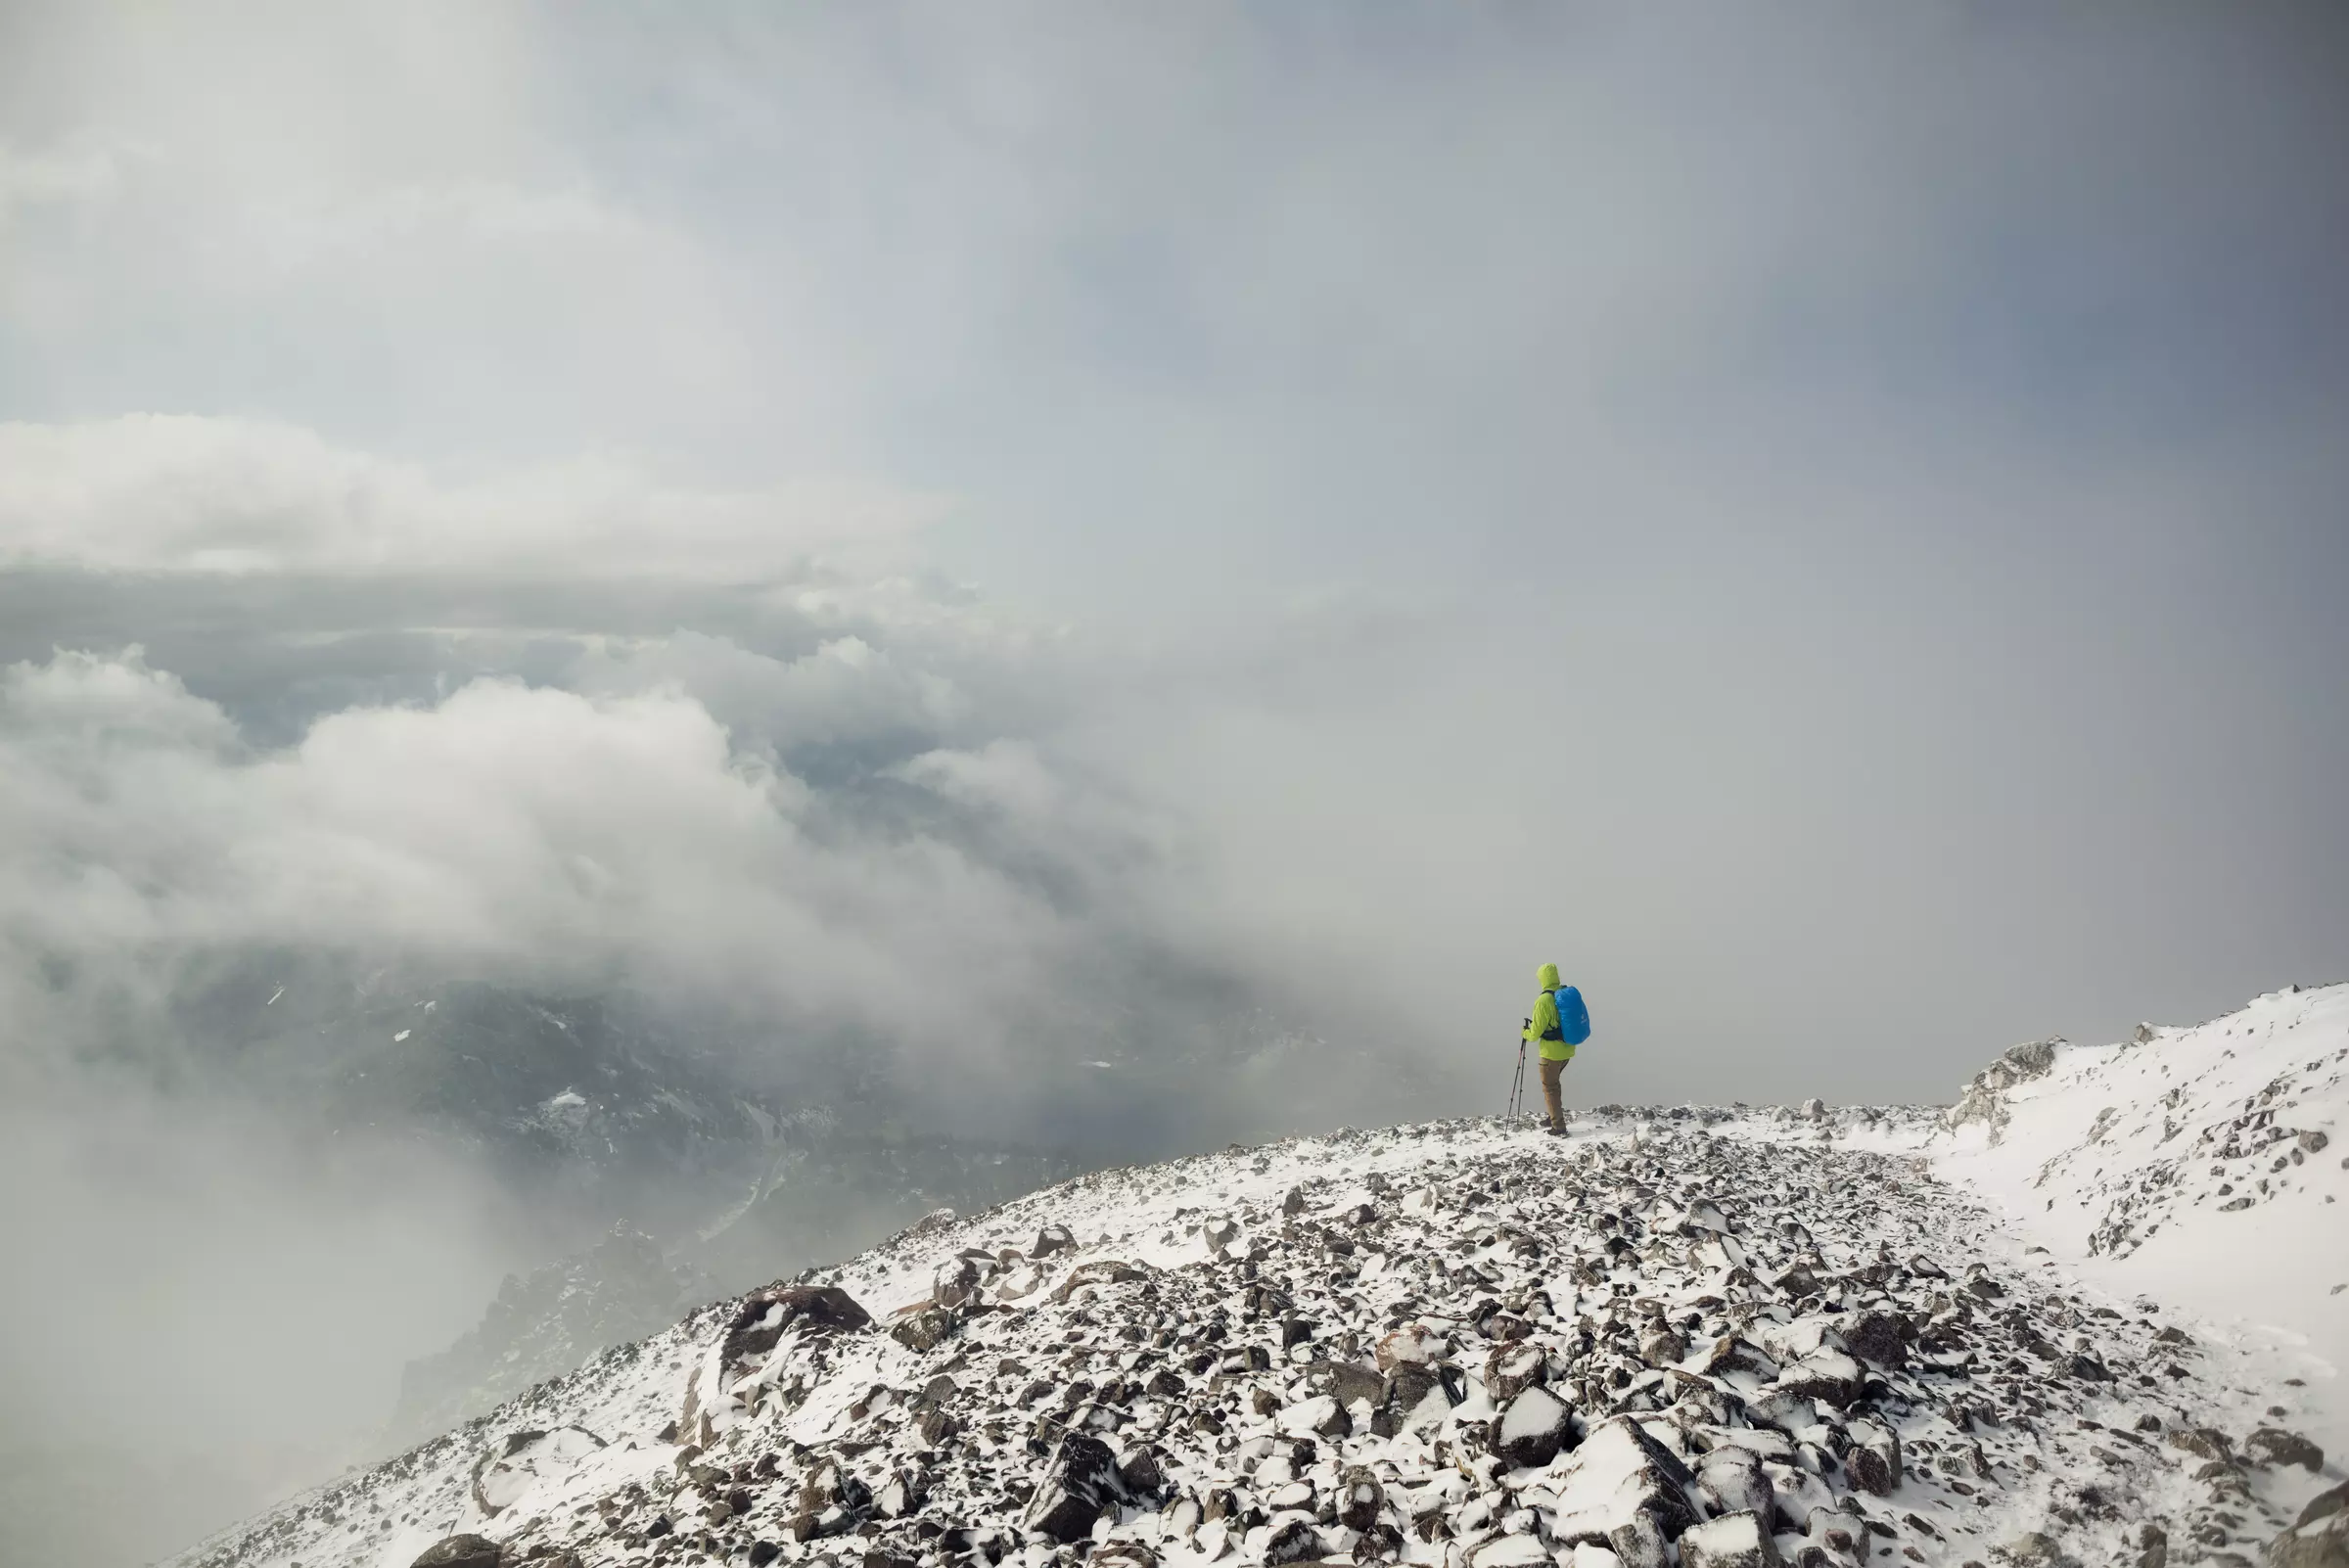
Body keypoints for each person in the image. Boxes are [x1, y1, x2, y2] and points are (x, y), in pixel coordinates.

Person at [1521, 961, 1584, 1134]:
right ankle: (1553, 1114)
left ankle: (1558, 1126)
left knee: (1550, 1087)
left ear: (1542, 979)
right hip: (1567, 1050)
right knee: (1554, 1084)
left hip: (1551, 1054)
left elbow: (1534, 1034)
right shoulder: (1562, 994)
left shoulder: (1544, 1000)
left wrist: (1524, 1032)